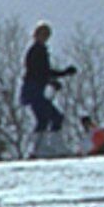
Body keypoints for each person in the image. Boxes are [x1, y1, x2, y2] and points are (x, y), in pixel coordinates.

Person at [21, 23, 79, 157]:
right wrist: (56, 77)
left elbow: (43, 72)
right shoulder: (37, 51)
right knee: (54, 117)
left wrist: (58, 76)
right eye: (43, 35)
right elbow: (39, 71)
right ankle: (53, 146)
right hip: (33, 90)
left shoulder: (39, 50)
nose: (45, 38)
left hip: (34, 89)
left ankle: (39, 148)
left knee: (44, 119)